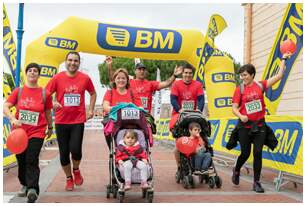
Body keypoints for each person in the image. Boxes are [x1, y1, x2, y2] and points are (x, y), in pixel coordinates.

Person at [231, 52, 292, 193]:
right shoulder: (239, 89)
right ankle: (237, 169)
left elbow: (279, 76)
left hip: (259, 125)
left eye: (245, 75)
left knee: (258, 153)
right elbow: (234, 108)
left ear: (252, 75)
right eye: (241, 75)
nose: (243, 77)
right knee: (245, 153)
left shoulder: (260, 85)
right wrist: (241, 115)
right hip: (244, 126)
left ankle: (256, 182)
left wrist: (283, 58)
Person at [46, 52, 97, 191]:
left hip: (77, 120)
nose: (72, 63)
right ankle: (69, 178)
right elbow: (45, 94)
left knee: (76, 151)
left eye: (75, 61)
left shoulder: (85, 78)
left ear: (79, 63)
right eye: (70, 60)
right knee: (63, 153)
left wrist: (91, 110)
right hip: (61, 121)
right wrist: (53, 103)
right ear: (65, 61)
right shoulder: (57, 78)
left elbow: (93, 93)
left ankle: (76, 169)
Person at [4, 63, 53, 203]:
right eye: (30, 70)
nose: (33, 73)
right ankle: (24, 183)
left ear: (38, 74)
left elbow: (48, 112)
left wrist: (50, 127)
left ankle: (33, 189)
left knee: (31, 158)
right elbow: (6, 106)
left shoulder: (45, 93)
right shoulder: (18, 91)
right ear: (27, 74)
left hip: (37, 131)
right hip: (19, 133)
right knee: (21, 159)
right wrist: (12, 118)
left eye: (35, 71)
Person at [105, 56, 182, 113]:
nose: (141, 71)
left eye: (143, 69)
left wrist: (174, 75)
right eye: (139, 69)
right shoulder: (129, 82)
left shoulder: (150, 84)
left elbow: (166, 83)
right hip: (132, 115)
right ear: (135, 71)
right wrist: (109, 66)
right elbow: (115, 79)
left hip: (146, 115)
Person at [170, 63, 205, 173]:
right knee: (179, 144)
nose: (187, 75)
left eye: (190, 73)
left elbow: (201, 99)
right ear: (182, 73)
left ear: (192, 74)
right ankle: (179, 167)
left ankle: (199, 164)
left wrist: (199, 109)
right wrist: (180, 110)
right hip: (179, 116)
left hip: (193, 116)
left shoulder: (198, 85)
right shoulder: (176, 84)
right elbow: (173, 99)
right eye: (185, 73)